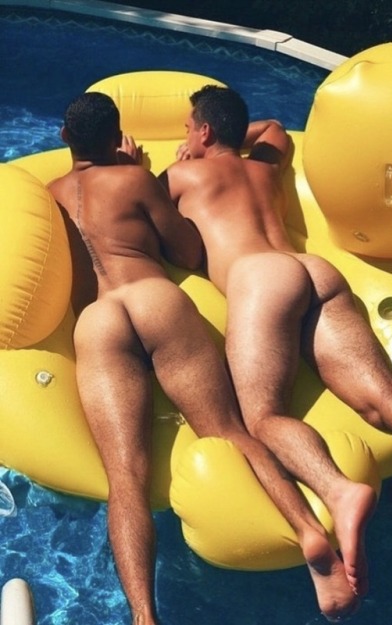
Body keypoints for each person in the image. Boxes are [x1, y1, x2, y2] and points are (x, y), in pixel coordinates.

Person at [160, 84, 392, 606]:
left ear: (203, 131)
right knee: (387, 396)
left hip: (258, 279)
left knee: (263, 419)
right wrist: (225, 135)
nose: (184, 138)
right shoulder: (263, 168)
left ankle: (339, 490)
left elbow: (151, 226)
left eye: (189, 129)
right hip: (313, 271)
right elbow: (274, 128)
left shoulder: (180, 176)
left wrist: (184, 156)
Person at [48, 91, 373, 625]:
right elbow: (188, 251)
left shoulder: (49, 195)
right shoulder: (132, 180)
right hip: (153, 298)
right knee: (231, 430)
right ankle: (310, 535)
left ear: (64, 137)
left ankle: (143, 616)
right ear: (115, 137)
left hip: (99, 321)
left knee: (124, 480)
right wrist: (137, 172)